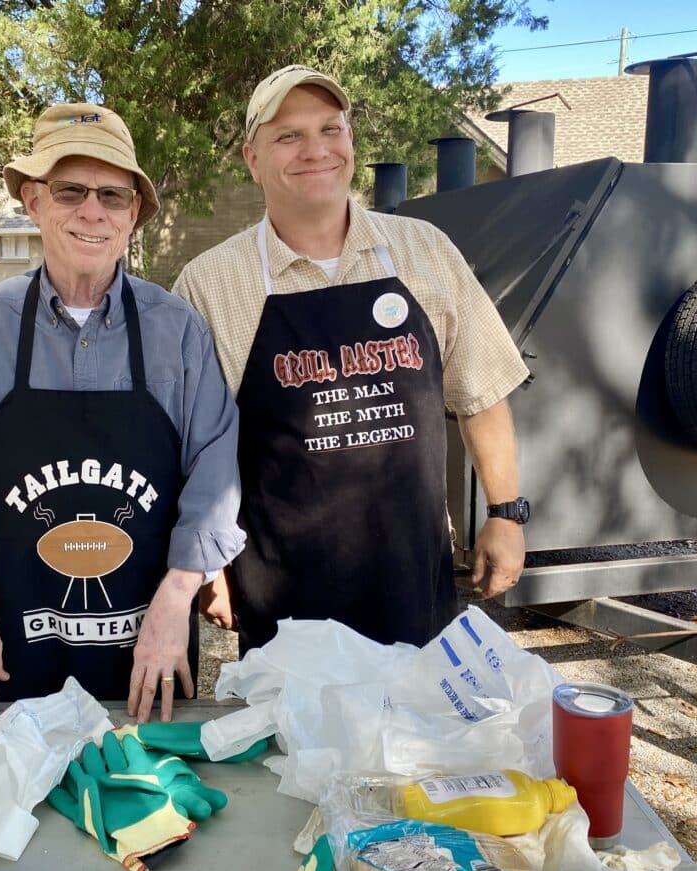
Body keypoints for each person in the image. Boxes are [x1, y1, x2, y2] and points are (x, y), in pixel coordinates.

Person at [0, 103, 245, 731]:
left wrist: (180, 593)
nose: (93, 211)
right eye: (70, 191)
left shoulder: (177, 330)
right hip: (11, 643)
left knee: (147, 784)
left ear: (133, 214)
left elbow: (216, 469)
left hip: (150, 643)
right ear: (33, 201)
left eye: (113, 195)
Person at [173, 66, 530, 656]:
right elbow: (192, 442)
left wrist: (506, 513)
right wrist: (208, 564)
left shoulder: (425, 250)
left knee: (416, 716)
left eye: (329, 129)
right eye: (288, 136)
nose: (315, 150)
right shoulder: (210, 282)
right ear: (252, 159)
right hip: (280, 590)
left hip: (411, 578)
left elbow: (482, 390)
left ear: (351, 140)